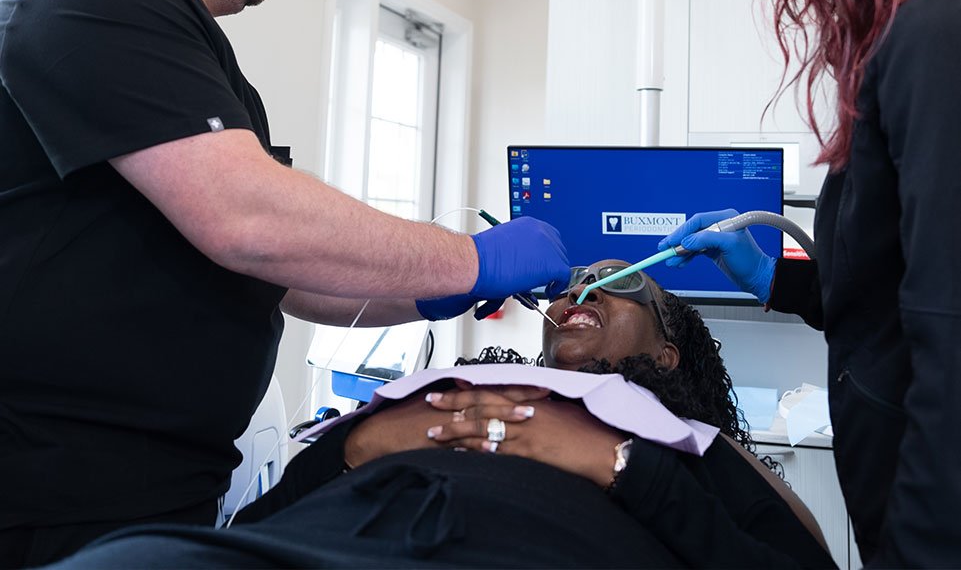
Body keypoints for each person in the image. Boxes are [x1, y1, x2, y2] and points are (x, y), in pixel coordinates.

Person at [0, 0, 568, 567]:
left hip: (156, 483)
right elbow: (247, 220)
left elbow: (281, 276)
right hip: (53, 486)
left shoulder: (201, 63)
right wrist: (470, 258)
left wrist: (441, 292)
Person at [658, 0, 961, 568]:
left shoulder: (937, 35)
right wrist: (779, 279)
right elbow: (901, 288)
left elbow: (951, 337)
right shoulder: (914, 34)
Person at [47, 263, 835, 569]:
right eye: (568, 290)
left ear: (666, 356)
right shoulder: (445, 382)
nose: (578, 297)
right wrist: (353, 446)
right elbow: (265, 514)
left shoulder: (681, 440)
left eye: (618, 288)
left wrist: (623, 467)